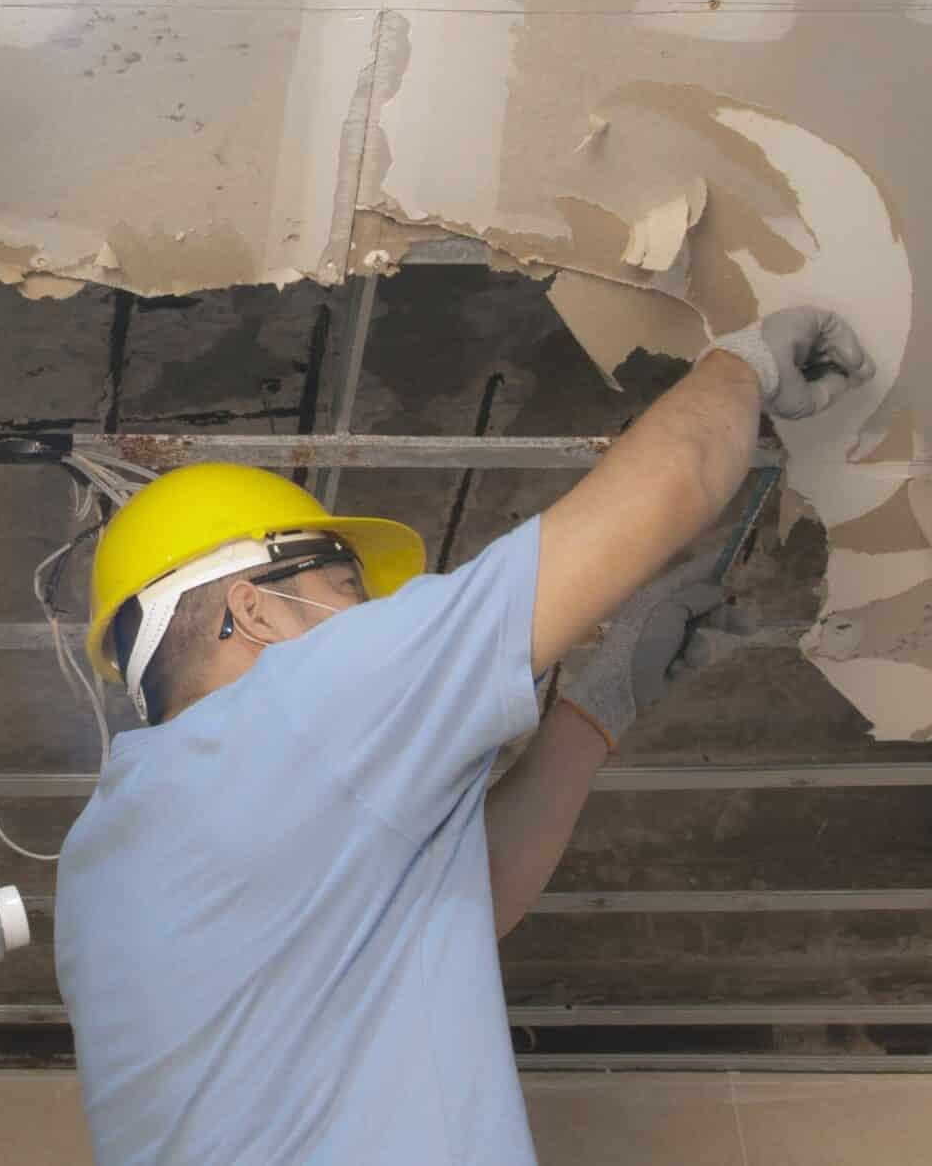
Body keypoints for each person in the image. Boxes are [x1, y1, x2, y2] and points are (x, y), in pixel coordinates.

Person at [55, 308, 876, 1165]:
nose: (367, 618)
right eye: (347, 588)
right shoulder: (299, 711)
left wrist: (594, 711)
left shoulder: (103, 870)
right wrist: (743, 366)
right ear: (253, 607)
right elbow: (675, 481)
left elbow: (462, 902)